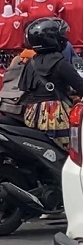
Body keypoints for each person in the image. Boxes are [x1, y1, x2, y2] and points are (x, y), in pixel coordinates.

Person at [19, 17, 83, 148]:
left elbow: (24, 87)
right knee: (64, 152)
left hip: (32, 116)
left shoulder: (30, 63)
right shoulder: (60, 63)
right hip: (56, 117)